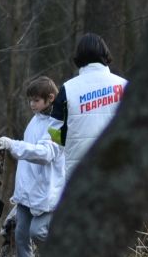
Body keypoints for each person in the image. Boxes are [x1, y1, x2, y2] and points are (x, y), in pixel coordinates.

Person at [0, 76, 65, 257]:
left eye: (36, 100)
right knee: (21, 234)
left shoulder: (60, 123)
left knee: (38, 232)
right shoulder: (35, 119)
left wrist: (12, 145)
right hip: (27, 190)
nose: (31, 104)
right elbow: (29, 151)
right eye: (30, 100)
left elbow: (46, 153)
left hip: (47, 190)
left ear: (50, 98)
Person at [50, 32, 127, 173]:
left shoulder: (68, 89)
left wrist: (71, 139)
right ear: (105, 53)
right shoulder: (124, 86)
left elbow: (53, 131)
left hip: (78, 173)